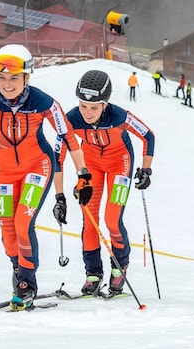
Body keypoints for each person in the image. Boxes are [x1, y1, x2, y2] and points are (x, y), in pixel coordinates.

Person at [0, 44, 91, 311]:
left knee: (22, 223)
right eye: (1, 77)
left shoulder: (44, 103)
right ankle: (20, 270)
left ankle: (27, 283)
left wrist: (83, 175)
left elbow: (69, 138)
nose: (7, 84)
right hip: (3, 170)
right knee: (7, 230)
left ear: (27, 77)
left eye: (14, 77)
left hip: (38, 166)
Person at [53, 69, 155, 296]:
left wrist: (146, 169)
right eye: (83, 106)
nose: (87, 113)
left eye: (94, 107)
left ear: (105, 105)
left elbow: (148, 136)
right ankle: (93, 273)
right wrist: (59, 197)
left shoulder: (119, 116)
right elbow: (57, 158)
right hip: (91, 170)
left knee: (112, 219)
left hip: (121, 164)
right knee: (89, 220)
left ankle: (120, 267)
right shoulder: (71, 120)